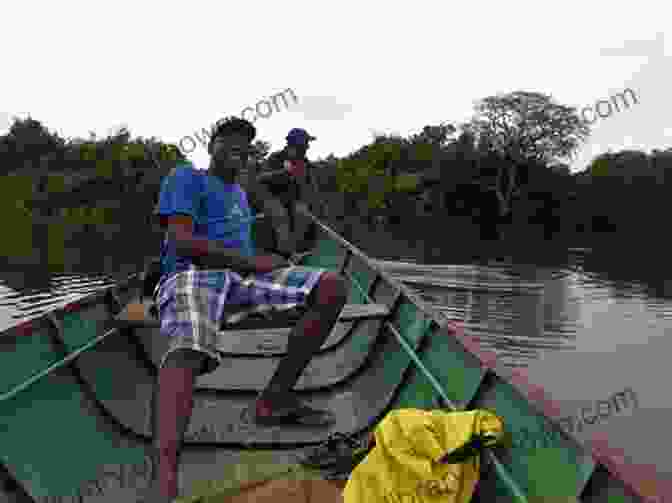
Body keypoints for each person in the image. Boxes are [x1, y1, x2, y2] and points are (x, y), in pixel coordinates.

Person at [148, 117, 347, 502]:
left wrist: (266, 258)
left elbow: (247, 244)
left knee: (331, 287)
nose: (239, 147)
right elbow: (182, 240)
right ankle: (166, 468)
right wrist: (255, 262)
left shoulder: (240, 194)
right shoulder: (186, 177)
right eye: (230, 140)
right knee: (190, 343)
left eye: (246, 143)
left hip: (239, 280)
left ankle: (274, 399)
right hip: (193, 274)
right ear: (211, 146)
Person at [252, 128, 323, 255]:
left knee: (302, 212)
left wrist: (315, 205)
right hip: (271, 199)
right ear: (296, 144)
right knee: (279, 213)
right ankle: (285, 253)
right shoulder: (276, 158)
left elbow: (312, 188)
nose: (307, 147)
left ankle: (296, 251)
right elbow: (261, 178)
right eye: (305, 143)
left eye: (307, 144)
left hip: (293, 202)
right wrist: (285, 173)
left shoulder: (305, 163)